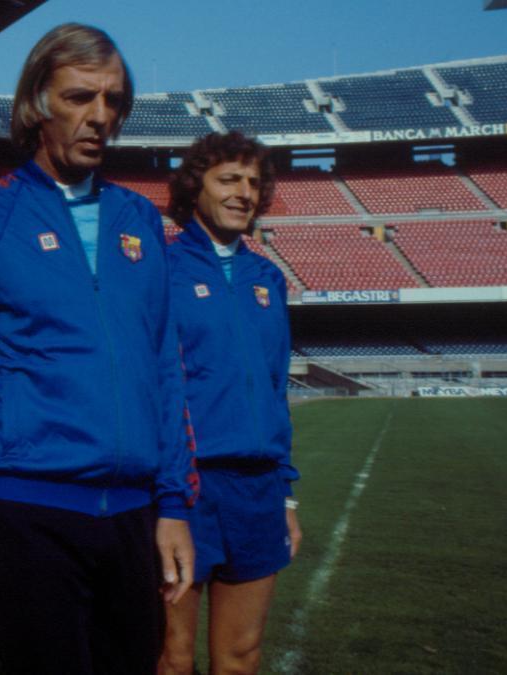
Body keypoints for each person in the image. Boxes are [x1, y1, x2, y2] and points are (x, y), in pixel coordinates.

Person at [0, 22, 197, 675]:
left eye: (114, 100)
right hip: (26, 514)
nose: (100, 117)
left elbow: (166, 369)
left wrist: (176, 504)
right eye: (79, 98)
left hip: (135, 513)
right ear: (35, 104)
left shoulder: (141, 223)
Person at [158, 132, 302, 675]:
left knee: (241, 656)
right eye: (229, 179)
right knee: (170, 658)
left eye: (253, 181)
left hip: (258, 491)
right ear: (194, 188)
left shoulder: (268, 278)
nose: (245, 192)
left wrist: (286, 498)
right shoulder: (161, 270)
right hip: (183, 490)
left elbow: (274, 388)